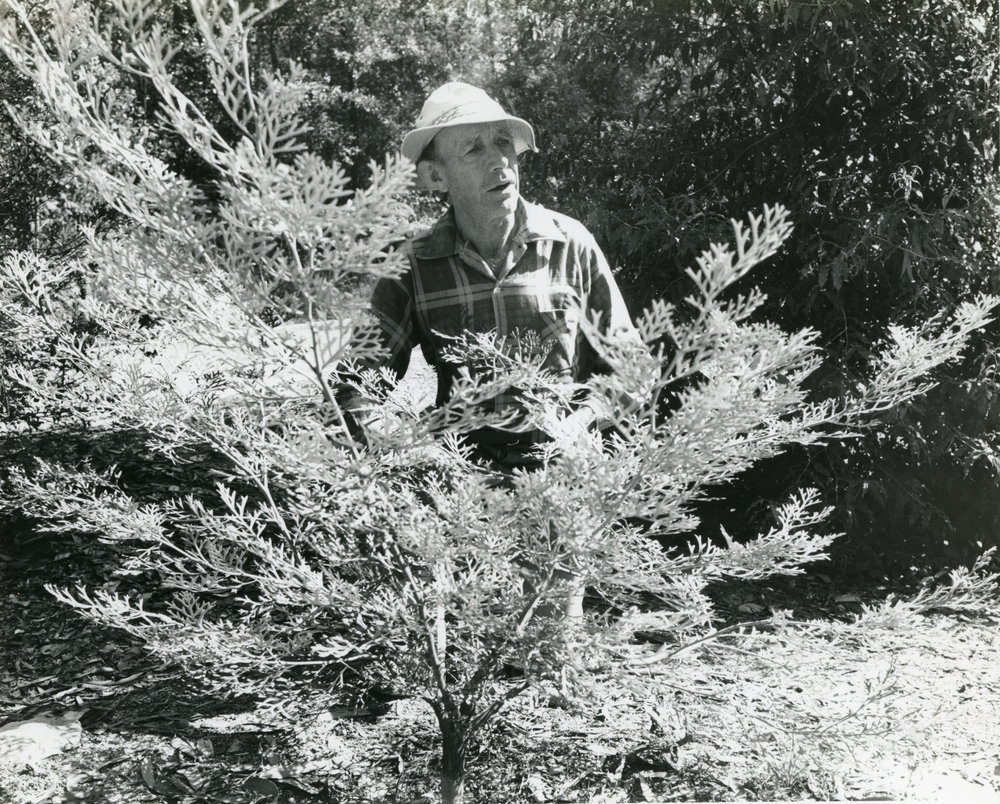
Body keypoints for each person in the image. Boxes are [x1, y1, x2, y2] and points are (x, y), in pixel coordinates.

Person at [342, 81, 641, 616]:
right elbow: (354, 387)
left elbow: (630, 368)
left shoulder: (570, 243)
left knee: (548, 659)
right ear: (436, 176)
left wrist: (580, 427)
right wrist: (415, 456)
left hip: (559, 471)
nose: (499, 160)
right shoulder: (412, 262)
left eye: (503, 142)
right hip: (456, 479)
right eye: (473, 149)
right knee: (455, 645)